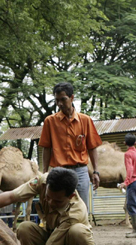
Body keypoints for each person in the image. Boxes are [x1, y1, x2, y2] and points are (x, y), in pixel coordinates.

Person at [0, 167, 98, 245]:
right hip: (51, 242)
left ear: (71, 196)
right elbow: (11, 196)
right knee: (25, 228)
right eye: (47, 197)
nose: (51, 203)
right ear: (46, 185)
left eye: (58, 201)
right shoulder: (42, 180)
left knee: (78, 231)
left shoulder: (75, 212)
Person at [39, 82, 103, 212]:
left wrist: (96, 171)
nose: (60, 104)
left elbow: (92, 147)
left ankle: (82, 231)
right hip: (59, 172)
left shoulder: (85, 120)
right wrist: (45, 172)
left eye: (63, 99)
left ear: (72, 98)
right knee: (58, 208)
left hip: (80, 171)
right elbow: (46, 148)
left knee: (82, 209)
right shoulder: (50, 122)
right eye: (57, 100)